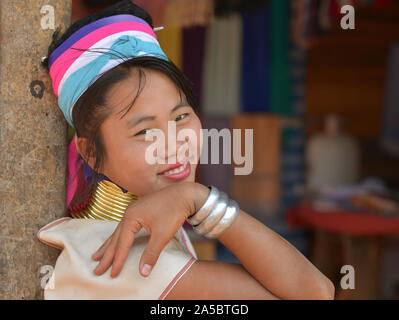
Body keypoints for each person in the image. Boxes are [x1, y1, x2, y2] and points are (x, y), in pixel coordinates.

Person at [40, 0, 335, 300]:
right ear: (90, 153)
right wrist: (197, 198)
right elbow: (315, 293)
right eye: (144, 132)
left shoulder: (103, 233)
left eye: (181, 117)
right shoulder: (119, 256)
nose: (173, 143)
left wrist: (190, 198)